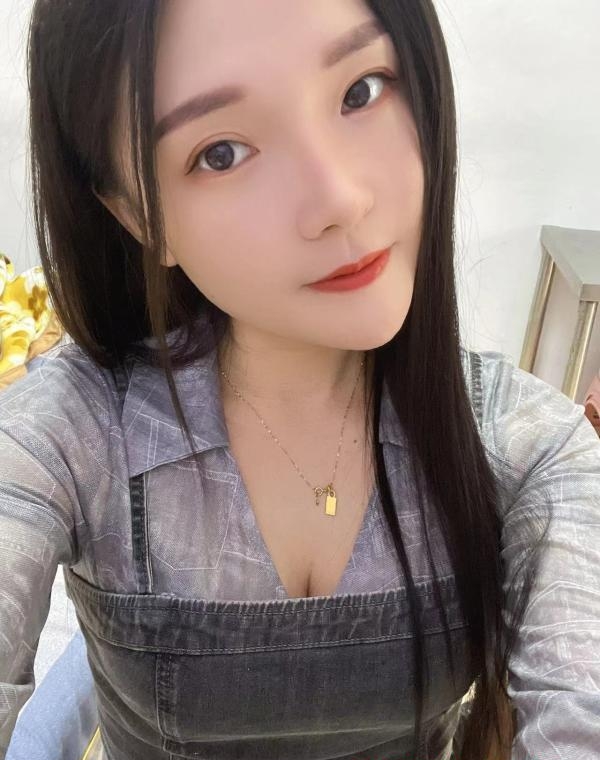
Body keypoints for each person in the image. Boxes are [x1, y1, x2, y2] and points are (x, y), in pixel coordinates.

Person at [1, 1, 599, 759]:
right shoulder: (73, 436)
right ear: (139, 216)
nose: (339, 198)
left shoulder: (528, 446)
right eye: (221, 152)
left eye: (360, 91)